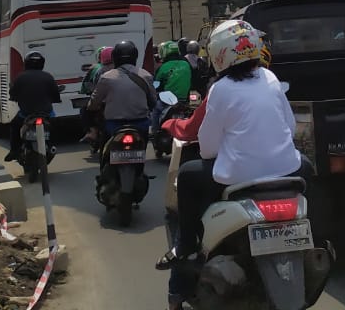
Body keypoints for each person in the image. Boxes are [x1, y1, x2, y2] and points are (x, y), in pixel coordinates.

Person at [156, 19, 307, 271]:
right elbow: (289, 128)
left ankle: (185, 245)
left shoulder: (220, 89)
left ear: (218, 54)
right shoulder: (270, 77)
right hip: (286, 169)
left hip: (239, 176)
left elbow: (207, 148)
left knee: (187, 175)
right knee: (309, 166)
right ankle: (317, 236)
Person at [87, 39, 157, 143]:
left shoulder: (106, 77)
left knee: (104, 141)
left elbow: (95, 101)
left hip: (114, 125)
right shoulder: (146, 75)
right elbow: (153, 100)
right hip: (140, 123)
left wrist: (91, 107)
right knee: (143, 143)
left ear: (115, 57)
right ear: (135, 56)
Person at [5, 51, 61, 162]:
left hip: (26, 113)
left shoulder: (20, 77)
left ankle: (14, 151)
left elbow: (13, 94)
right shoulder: (48, 77)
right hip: (46, 113)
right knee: (55, 126)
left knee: (14, 125)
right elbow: (56, 95)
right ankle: (52, 146)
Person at [152, 41, 193, 130]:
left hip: (167, 102)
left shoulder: (163, 67)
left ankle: (155, 133)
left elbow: (156, 84)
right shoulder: (186, 64)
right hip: (184, 101)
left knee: (155, 109)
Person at [79, 46, 114, 142]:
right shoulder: (124, 69)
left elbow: (91, 87)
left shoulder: (97, 69)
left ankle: (92, 132)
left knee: (85, 110)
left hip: (103, 101)